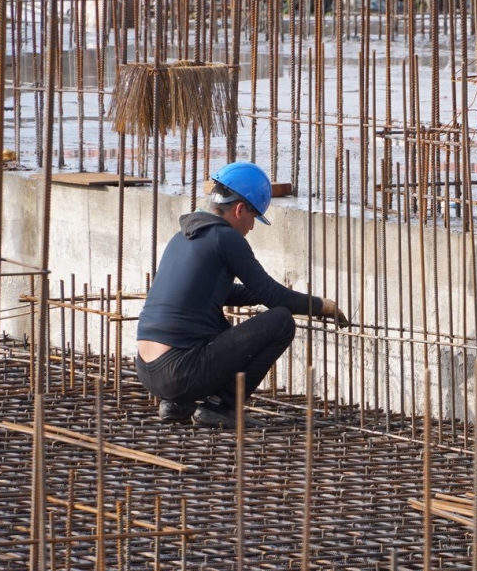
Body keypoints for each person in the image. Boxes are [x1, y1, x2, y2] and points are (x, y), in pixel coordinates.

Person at [135, 161, 349, 429]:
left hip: (147, 370)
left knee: (207, 323)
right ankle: (221, 407)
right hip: (180, 372)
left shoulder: (183, 236)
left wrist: (262, 292)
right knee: (281, 320)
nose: (252, 226)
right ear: (239, 209)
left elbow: (222, 293)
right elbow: (272, 297)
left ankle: (177, 404)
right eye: (253, 217)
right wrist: (322, 306)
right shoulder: (226, 238)